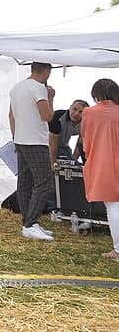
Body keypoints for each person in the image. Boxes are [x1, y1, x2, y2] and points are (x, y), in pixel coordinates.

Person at [9, 62, 55, 241]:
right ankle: (30, 223)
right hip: (36, 141)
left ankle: (29, 222)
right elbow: (47, 116)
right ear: (47, 71)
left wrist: (15, 137)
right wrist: (50, 97)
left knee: (25, 182)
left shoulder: (16, 88)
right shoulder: (39, 88)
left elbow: (11, 115)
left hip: (21, 139)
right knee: (44, 182)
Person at [80, 78, 119, 261]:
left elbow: (85, 140)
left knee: (113, 206)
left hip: (104, 164)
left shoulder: (89, 113)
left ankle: (118, 250)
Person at [49, 99, 88, 164]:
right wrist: (53, 165)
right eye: (74, 109)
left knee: (76, 166)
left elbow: (80, 143)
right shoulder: (58, 117)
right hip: (47, 145)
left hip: (64, 146)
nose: (76, 114)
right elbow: (52, 146)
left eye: (81, 112)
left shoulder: (86, 123)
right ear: (70, 107)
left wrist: (74, 160)